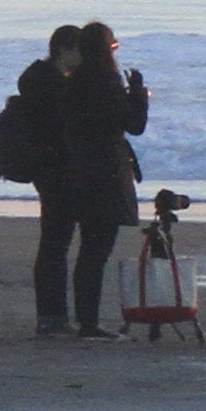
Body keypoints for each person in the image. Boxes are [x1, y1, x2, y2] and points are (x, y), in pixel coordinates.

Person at [23, 22, 145, 339]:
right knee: (92, 251)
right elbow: (133, 124)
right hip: (101, 175)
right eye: (113, 47)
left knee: (63, 245)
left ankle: (57, 318)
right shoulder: (104, 83)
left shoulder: (69, 84)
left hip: (71, 174)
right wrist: (138, 95)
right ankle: (85, 322)